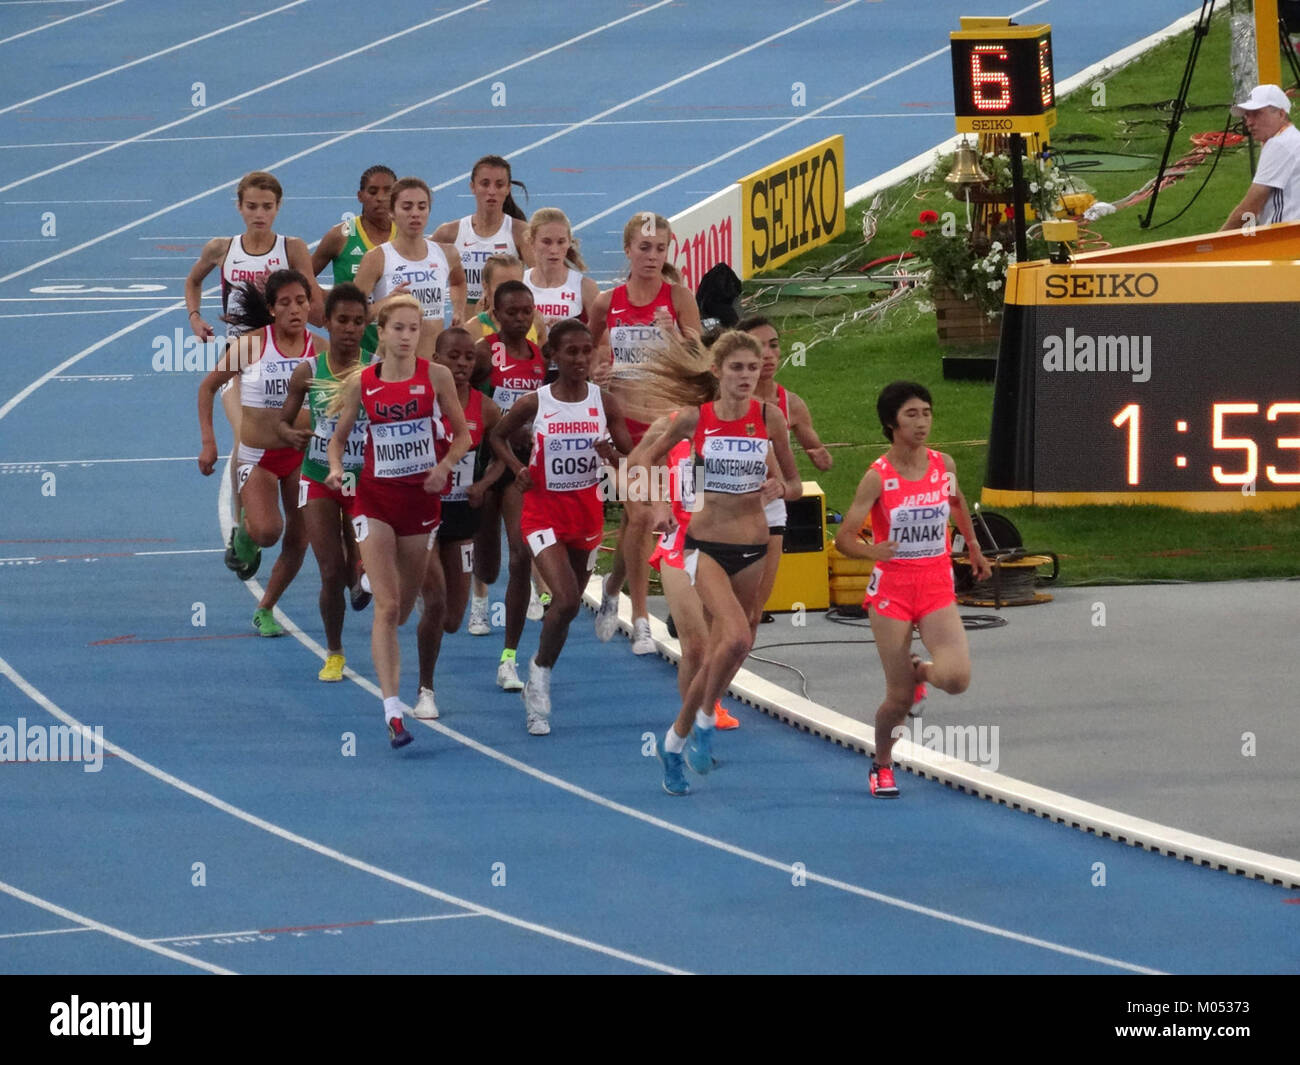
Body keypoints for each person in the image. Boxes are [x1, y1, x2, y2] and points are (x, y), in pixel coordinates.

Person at [628, 330, 801, 795]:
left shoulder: (769, 418)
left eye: (753, 367)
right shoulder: (693, 419)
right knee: (733, 637)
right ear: (716, 371)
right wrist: (659, 505)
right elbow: (643, 460)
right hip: (701, 545)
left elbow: (794, 484)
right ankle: (705, 720)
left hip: (752, 547)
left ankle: (674, 741)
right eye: (737, 367)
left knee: (732, 647)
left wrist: (779, 488)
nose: (747, 376)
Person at [833, 382, 992, 798]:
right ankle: (882, 764)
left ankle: (921, 670)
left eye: (927, 413)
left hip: (936, 585)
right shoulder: (877, 477)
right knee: (899, 697)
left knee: (956, 679)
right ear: (892, 422)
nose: (922, 423)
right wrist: (872, 551)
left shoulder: (943, 464)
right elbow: (843, 539)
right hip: (893, 591)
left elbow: (956, 504)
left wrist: (973, 548)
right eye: (912, 415)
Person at [325, 295, 470, 749]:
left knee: (404, 610)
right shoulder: (363, 383)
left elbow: (464, 435)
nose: (407, 336)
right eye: (398, 328)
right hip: (375, 501)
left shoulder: (436, 376)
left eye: (413, 328)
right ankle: (392, 711)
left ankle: (370, 578)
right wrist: (336, 468)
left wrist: (445, 466)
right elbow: (338, 438)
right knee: (387, 610)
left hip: (420, 504)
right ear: (382, 333)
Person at [490, 319, 633, 735]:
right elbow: (497, 436)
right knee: (568, 600)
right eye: (571, 351)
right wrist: (517, 468)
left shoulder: (605, 403)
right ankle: (539, 687)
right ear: (552, 355)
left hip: (585, 515)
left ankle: (539, 667)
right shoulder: (534, 402)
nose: (580, 359)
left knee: (564, 612)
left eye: (587, 350)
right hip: (542, 512)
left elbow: (631, 456)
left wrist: (611, 456)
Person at [589, 212, 701, 655]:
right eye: (644, 248)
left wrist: (675, 336)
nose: (652, 257)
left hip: (667, 429)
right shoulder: (607, 302)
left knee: (643, 522)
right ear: (628, 250)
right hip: (624, 428)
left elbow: (700, 361)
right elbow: (587, 348)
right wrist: (598, 370)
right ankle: (640, 620)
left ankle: (612, 585)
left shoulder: (679, 297)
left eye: (660, 249)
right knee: (639, 518)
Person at [185, 171, 322, 523]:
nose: (259, 214)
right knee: (244, 436)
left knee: (290, 431)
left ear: (278, 207)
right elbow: (193, 280)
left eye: (267, 206)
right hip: (240, 357)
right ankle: (241, 524)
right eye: (251, 206)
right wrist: (195, 317)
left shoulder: (291, 248)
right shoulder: (221, 248)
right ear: (239, 207)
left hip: (285, 357)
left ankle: (294, 507)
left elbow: (313, 300)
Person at [197, 269, 317, 636]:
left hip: (301, 457)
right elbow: (207, 388)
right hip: (258, 457)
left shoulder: (321, 349)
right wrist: (209, 442)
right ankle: (247, 531)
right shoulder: (251, 345)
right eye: (285, 303)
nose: (294, 309)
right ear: (272, 309)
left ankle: (265, 608)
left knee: (300, 538)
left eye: (301, 301)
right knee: (268, 532)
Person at [277, 283, 374, 681]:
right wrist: (291, 435)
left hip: (364, 482)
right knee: (330, 571)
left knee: (362, 569)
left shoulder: (377, 370)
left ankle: (361, 577)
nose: (350, 329)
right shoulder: (309, 372)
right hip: (319, 478)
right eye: (342, 321)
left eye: (358, 322)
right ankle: (334, 652)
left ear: (366, 325)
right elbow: (283, 422)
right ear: (327, 323)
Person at [413, 327, 505, 719]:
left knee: (452, 619)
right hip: (423, 516)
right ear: (436, 359)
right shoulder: (420, 400)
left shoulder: (487, 409)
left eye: (469, 357)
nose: (462, 364)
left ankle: (423, 599)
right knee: (436, 605)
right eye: (453, 357)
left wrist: (483, 484)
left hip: (463, 517)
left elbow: (501, 453)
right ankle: (426, 690)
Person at [471, 281, 549, 690]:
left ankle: (508, 658)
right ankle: (479, 596)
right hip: (487, 463)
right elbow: (463, 394)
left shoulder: (539, 358)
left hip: (519, 467)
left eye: (526, 311)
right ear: (495, 315)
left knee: (521, 552)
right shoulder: (485, 352)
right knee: (487, 564)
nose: (520, 319)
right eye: (512, 312)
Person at [742, 315, 833, 630]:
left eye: (774, 345)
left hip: (771, 508)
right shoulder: (722, 401)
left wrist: (820, 454)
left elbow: (819, 458)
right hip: (725, 510)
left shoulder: (790, 404)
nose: (768, 355)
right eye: (759, 347)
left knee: (754, 608)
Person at [354, 177, 467, 360]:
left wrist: (459, 311)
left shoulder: (447, 254)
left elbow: (458, 282)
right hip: (391, 367)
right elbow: (353, 316)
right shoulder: (377, 258)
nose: (415, 213)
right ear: (391, 212)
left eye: (422, 207)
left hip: (432, 366)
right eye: (407, 207)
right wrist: (384, 304)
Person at [312, 164, 396, 352]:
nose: (380, 198)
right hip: (351, 349)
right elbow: (302, 278)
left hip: (396, 347)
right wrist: (329, 300)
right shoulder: (341, 235)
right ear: (360, 196)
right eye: (372, 192)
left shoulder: (405, 235)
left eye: (387, 191)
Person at [431, 154, 532, 307]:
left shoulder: (520, 232)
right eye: (485, 184)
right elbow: (412, 259)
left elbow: (540, 280)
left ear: (508, 189)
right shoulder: (450, 233)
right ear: (473, 187)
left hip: (505, 322)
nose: (491, 191)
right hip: (465, 322)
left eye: (499, 185)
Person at [1221, 85, 1300, 230]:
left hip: (1284, 238)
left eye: (1256, 114)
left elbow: (1249, 209)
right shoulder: (1291, 139)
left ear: (1281, 114)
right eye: (1247, 115)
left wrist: (1217, 240)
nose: (1249, 122)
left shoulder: (1280, 144)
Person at [523, 207, 599, 326]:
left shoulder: (585, 287)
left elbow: (603, 337)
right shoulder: (519, 283)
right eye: (546, 242)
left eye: (561, 242)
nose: (554, 250)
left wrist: (568, 331)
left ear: (569, 242)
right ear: (531, 242)